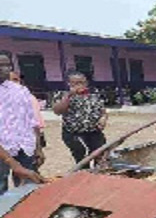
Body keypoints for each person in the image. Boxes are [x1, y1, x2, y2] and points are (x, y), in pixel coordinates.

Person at [0, 51, 45, 193]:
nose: (5, 69)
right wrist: (12, 164)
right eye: (0, 65)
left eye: (7, 65)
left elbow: (31, 120)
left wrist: (38, 148)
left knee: (29, 190)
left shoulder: (20, 90)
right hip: (2, 151)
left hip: (24, 148)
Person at [53, 71, 108, 166]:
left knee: (100, 153)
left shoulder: (94, 95)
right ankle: (83, 173)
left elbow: (103, 112)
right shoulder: (62, 95)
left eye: (82, 82)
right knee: (80, 155)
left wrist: (103, 119)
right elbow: (58, 111)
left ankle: (97, 173)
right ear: (69, 83)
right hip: (73, 132)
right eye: (75, 83)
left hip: (94, 131)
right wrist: (69, 96)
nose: (79, 85)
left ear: (86, 83)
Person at [9, 72, 47, 161]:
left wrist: (38, 149)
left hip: (25, 145)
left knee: (26, 172)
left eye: (15, 80)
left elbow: (35, 125)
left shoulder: (29, 99)